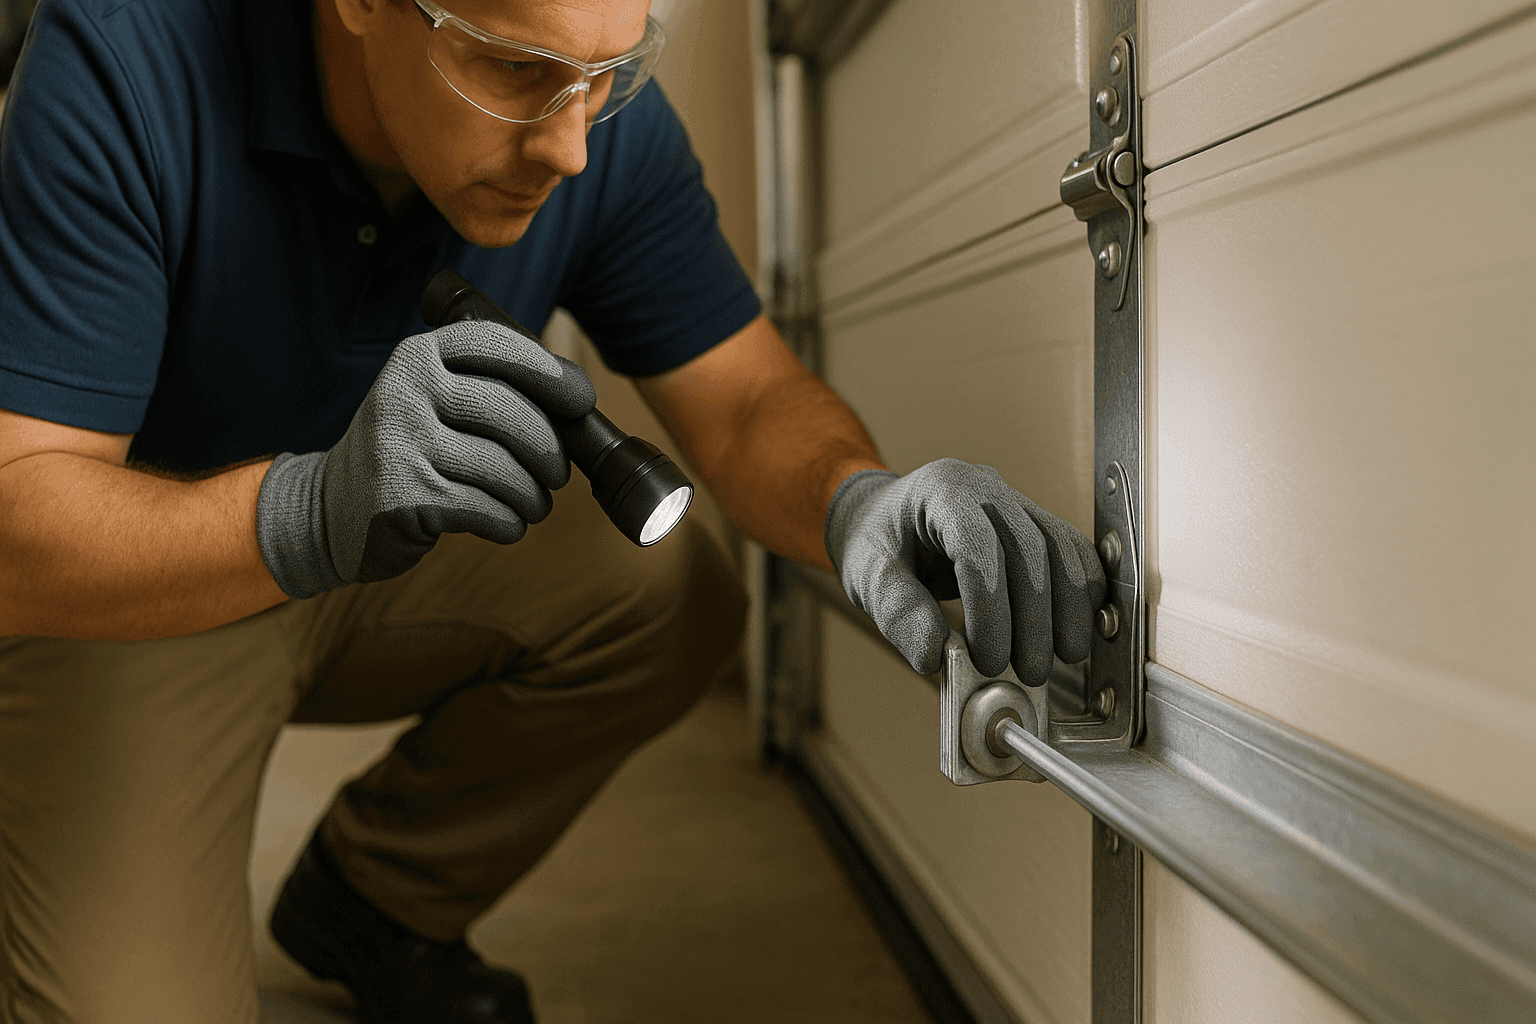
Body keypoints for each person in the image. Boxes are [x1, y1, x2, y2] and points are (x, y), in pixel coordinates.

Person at [0, 0, 1107, 1019]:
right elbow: (18, 522)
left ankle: (376, 895)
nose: (570, 146)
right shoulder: (125, 57)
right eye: (513, 69)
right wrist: (309, 510)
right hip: (140, 591)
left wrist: (857, 500)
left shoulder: (594, 115)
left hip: (390, 549)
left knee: (667, 586)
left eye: (609, 72)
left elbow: (744, 402)